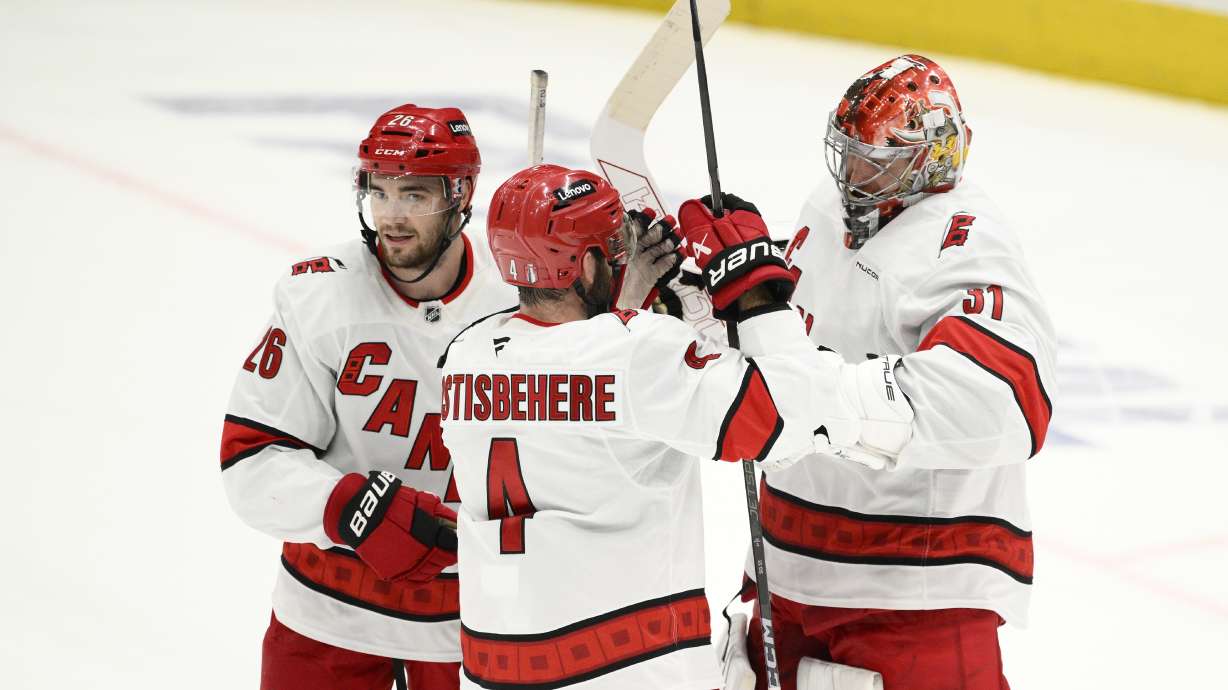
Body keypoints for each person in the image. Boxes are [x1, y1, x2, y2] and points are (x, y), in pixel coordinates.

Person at [437, 163, 864, 690]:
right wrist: (755, 291)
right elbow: (793, 413)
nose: (623, 254)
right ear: (588, 265)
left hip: (493, 666)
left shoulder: (466, 354)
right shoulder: (638, 351)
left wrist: (626, 301)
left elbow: (573, 381)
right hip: (623, 666)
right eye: (612, 245)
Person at [740, 54, 1058, 690]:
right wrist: (722, 297)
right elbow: (793, 337)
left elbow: (1005, 401)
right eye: (848, 152)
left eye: (873, 161)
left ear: (928, 160)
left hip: (914, 601)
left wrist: (810, 398)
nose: (851, 174)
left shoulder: (964, 243)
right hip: (788, 575)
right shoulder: (829, 209)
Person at [219, 104, 518, 690]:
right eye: (379, 192)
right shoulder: (319, 296)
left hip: (472, 633)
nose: (392, 216)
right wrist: (346, 504)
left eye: (414, 194)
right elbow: (249, 462)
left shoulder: (521, 295)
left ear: (462, 196)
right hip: (325, 627)